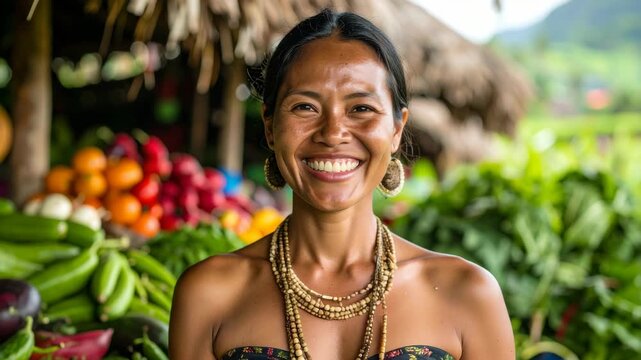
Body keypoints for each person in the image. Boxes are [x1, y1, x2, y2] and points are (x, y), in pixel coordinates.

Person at [169, 9, 514, 360]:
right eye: (305, 107)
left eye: (361, 108)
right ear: (271, 127)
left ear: (396, 129)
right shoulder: (209, 294)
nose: (333, 133)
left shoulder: (468, 294)